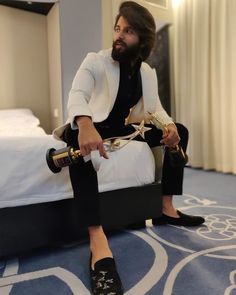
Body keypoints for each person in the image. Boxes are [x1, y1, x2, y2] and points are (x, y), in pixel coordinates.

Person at [53, 1, 205, 294]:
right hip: (95, 125)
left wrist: (169, 126)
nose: (118, 36)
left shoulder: (146, 71)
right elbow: (78, 94)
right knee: (76, 138)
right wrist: (84, 124)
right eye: (117, 28)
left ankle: (166, 208)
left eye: (128, 31)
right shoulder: (95, 61)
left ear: (144, 40)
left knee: (181, 130)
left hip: (123, 130)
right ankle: (97, 240)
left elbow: (154, 108)